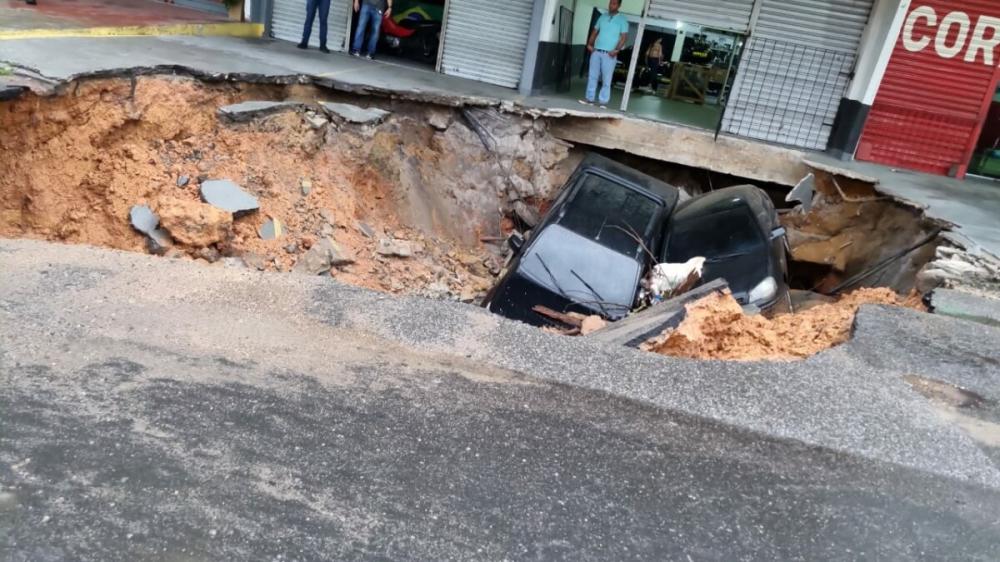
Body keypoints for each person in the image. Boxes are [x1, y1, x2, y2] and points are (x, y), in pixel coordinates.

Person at [580, 0, 628, 108]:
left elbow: (624, 37)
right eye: (611, 3)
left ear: (619, 5)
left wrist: (616, 50)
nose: (611, 5)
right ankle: (589, 99)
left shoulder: (622, 20)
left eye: (614, 3)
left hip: (609, 54)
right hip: (596, 51)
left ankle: (603, 102)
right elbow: (595, 31)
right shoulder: (602, 17)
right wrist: (589, 44)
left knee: (607, 79)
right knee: (592, 76)